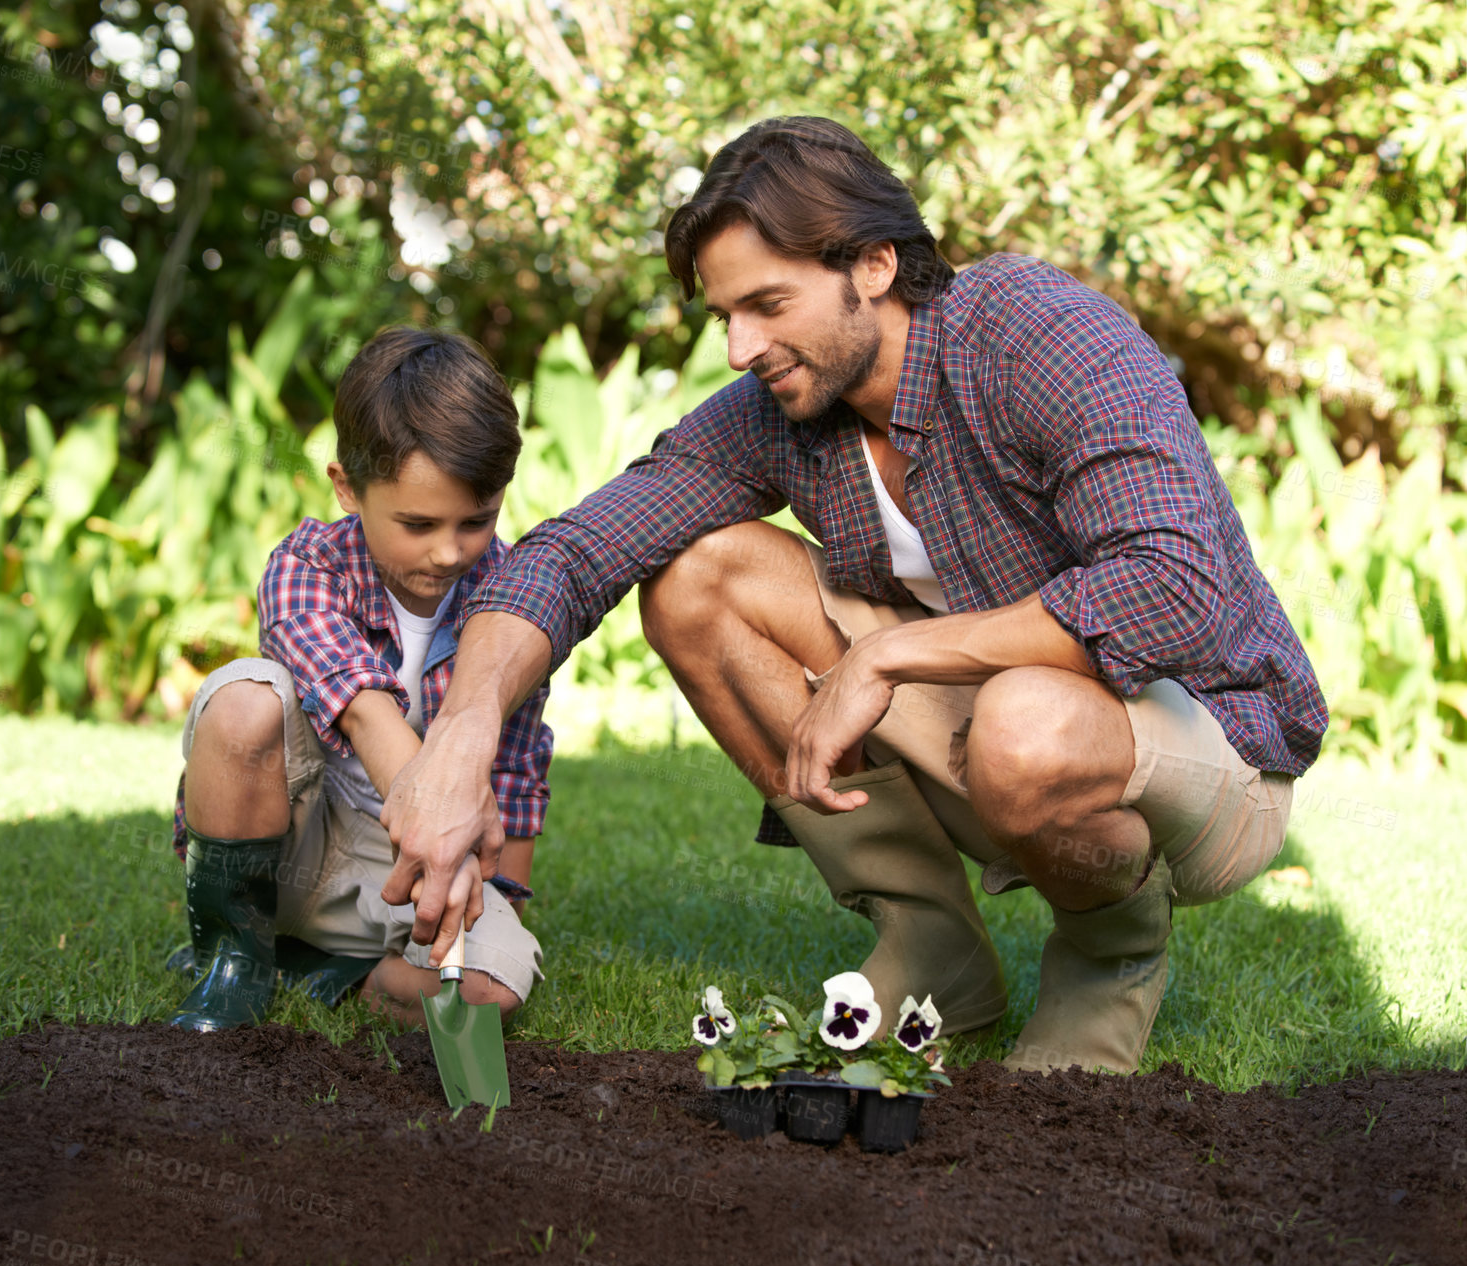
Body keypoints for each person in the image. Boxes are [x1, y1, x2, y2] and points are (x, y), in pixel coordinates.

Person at [375, 117, 1328, 1074]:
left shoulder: (1033, 331)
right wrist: (460, 741)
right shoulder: (785, 413)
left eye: (768, 304)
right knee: (695, 579)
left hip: (1209, 743)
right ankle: (931, 945)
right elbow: (577, 552)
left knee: (1025, 720)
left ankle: (1108, 953)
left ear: (873, 264)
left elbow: (1170, 585)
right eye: (725, 318)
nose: (742, 345)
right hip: (996, 723)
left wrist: (887, 655)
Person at [165, 327, 551, 1033]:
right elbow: (363, 711)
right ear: (347, 487)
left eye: (477, 521)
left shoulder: (511, 597)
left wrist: (493, 903)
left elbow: (519, 763)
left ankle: (322, 972)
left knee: (487, 996)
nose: (448, 550)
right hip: (291, 842)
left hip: (407, 874)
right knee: (245, 698)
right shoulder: (306, 566)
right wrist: (435, 818)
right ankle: (232, 958)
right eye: (417, 522)